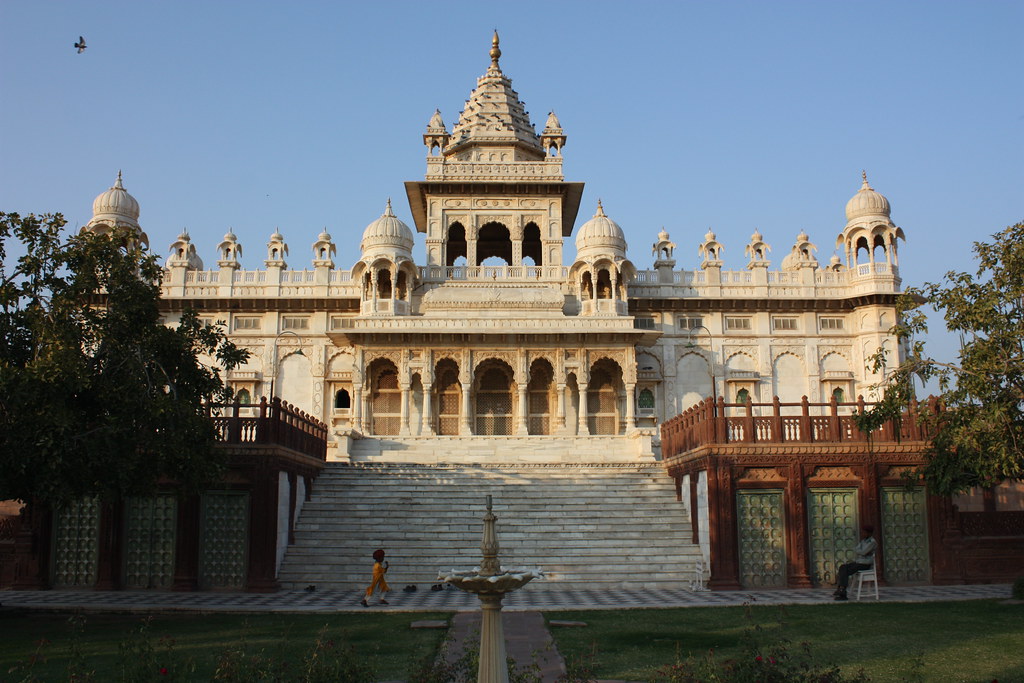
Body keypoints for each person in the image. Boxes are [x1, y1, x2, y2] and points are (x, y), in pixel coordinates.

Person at [834, 525, 877, 601]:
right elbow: (856, 549)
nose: (862, 534)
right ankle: (841, 589)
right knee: (843, 567)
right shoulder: (863, 541)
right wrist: (861, 551)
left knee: (846, 571)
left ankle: (842, 591)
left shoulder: (872, 542)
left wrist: (861, 551)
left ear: (869, 533)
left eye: (864, 532)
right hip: (859, 562)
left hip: (865, 564)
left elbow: (863, 552)